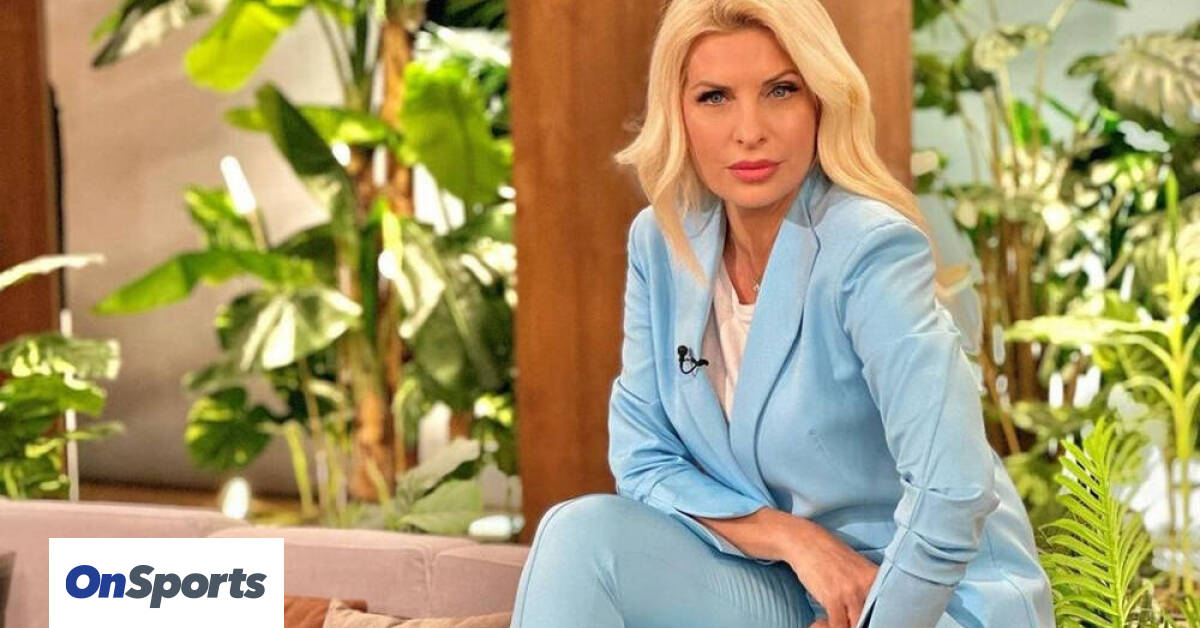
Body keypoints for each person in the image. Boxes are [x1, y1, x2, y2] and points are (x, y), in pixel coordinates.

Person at [509, 1, 1055, 627]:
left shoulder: (869, 247)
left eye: (781, 90)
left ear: (821, 100)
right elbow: (643, 459)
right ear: (678, 112)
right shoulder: (661, 243)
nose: (750, 131)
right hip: (785, 580)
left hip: (929, 599)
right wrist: (792, 539)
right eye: (715, 97)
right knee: (580, 536)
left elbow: (952, 493)